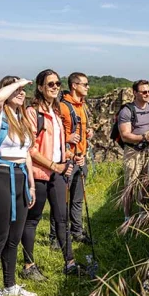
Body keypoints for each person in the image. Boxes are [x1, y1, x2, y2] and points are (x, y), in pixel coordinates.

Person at [0, 76, 37, 296]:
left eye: (24, 89)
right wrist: (18, 82)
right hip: (1, 178)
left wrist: (32, 185)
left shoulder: (20, 118)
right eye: (15, 88)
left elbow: (26, 154)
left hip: (21, 177)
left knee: (14, 237)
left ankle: (10, 285)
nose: (21, 91)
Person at [20, 69, 80, 280]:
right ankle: (29, 266)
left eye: (57, 84)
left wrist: (69, 156)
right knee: (32, 220)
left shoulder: (56, 112)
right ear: (40, 87)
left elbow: (56, 144)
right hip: (39, 173)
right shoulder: (32, 112)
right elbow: (31, 149)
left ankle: (70, 263)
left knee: (62, 219)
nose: (55, 87)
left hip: (58, 172)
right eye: (50, 84)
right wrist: (55, 166)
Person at [118, 80, 149, 221]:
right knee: (131, 185)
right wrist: (143, 136)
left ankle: (142, 213)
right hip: (134, 152)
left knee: (145, 184)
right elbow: (125, 135)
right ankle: (127, 216)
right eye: (144, 92)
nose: (147, 94)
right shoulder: (127, 111)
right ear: (134, 93)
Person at [57, 72, 95, 244]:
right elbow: (53, 133)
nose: (88, 87)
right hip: (66, 159)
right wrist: (67, 139)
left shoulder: (83, 106)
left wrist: (88, 133)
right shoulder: (62, 106)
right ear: (74, 85)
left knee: (77, 199)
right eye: (85, 84)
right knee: (61, 201)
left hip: (81, 158)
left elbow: (82, 130)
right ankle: (56, 237)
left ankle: (77, 232)